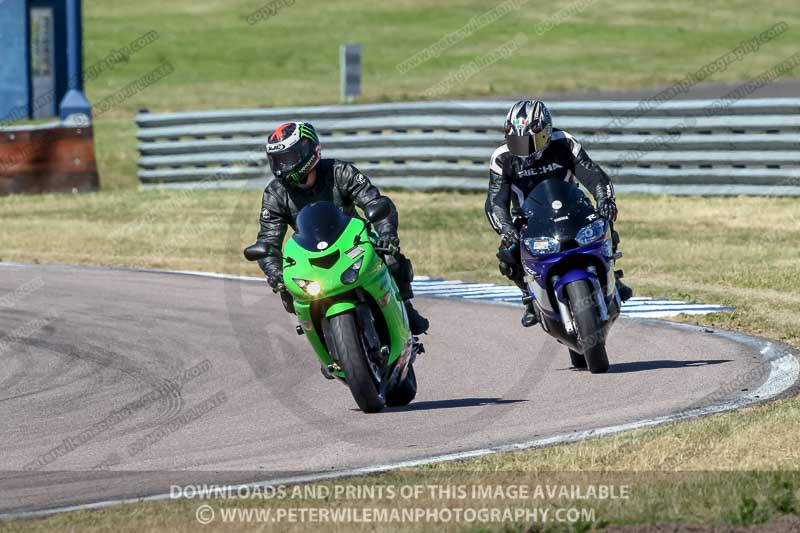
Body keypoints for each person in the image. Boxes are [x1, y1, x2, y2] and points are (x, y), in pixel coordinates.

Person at [254, 121, 429, 335]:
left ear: (308, 151)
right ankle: (325, 344)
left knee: (392, 258)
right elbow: (267, 241)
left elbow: (375, 202)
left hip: (354, 241)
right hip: (309, 255)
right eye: (277, 161)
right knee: (289, 292)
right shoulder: (275, 193)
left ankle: (405, 309)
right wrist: (275, 273)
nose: (282, 167)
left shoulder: (340, 172)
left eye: (287, 159)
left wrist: (387, 234)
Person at [485, 99, 633, 327]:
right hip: (530, 219)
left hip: (572, 207)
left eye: (530, 141)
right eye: (518, 142)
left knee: (604, 222)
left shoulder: (564, 142)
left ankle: (612, 275)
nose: (524, 149)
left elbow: (594, 174)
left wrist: (605, 199)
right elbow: (495, 201)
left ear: (545, 132)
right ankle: (529, 297)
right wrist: (506, 228)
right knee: (507, 255)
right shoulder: (502, 158)